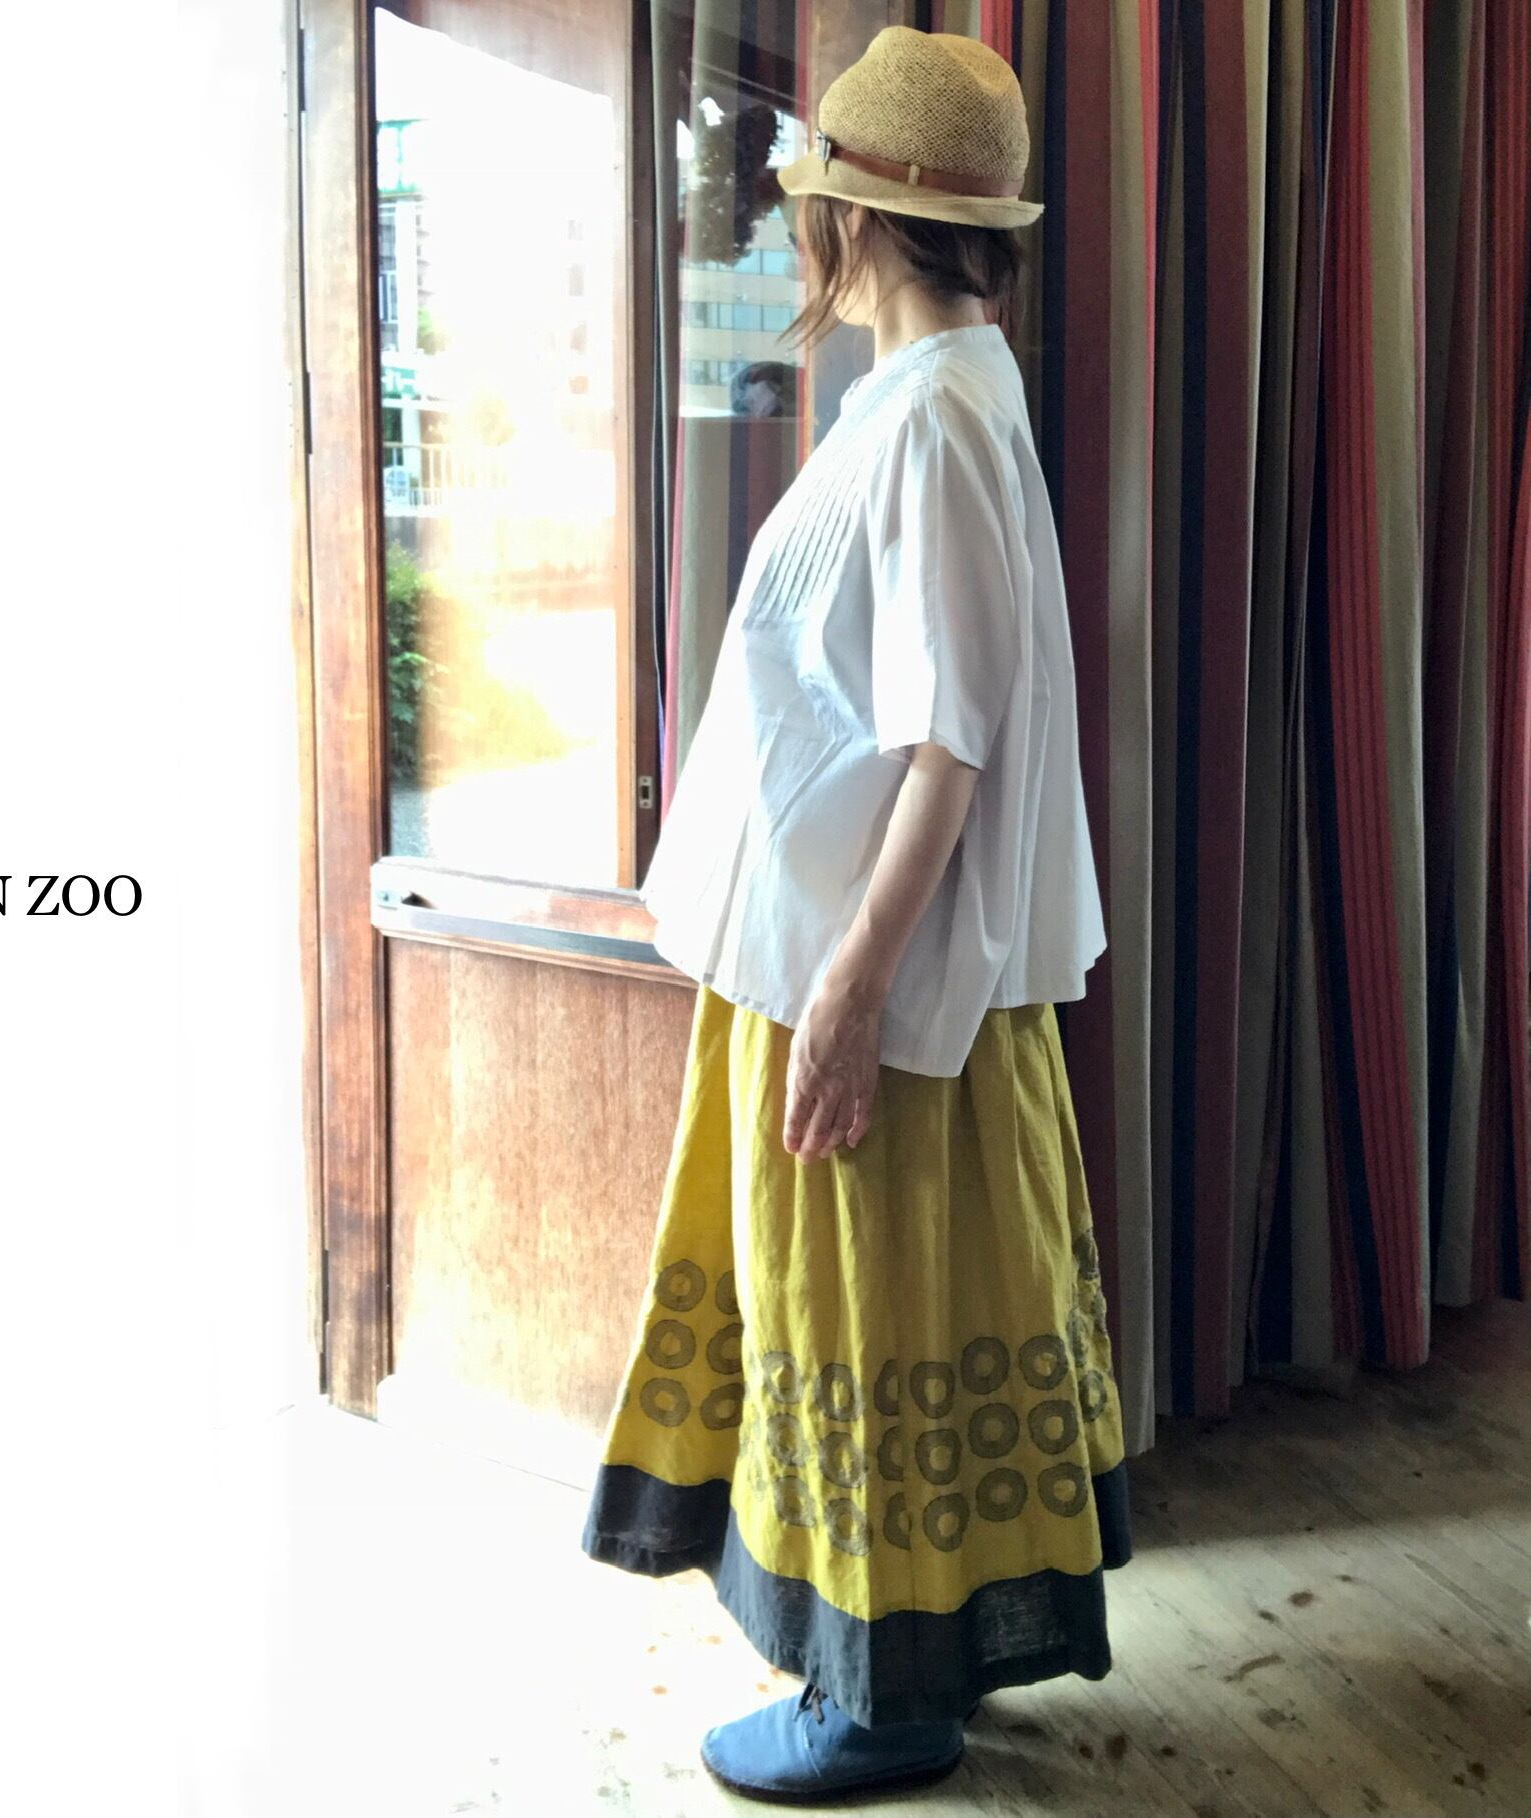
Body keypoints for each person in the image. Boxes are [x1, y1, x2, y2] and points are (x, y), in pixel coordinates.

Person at [578, 25, 1133, 1804]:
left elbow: (947, 744)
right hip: (839, 960)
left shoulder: (939, 422)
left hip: (871, 980)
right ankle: (892, 1669)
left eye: (811, 201)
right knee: (861, 1313)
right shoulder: (928, 399)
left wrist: (846, 990)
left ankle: (880, 1700)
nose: (794, 228)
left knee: (863, 1317)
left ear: (858, 222)